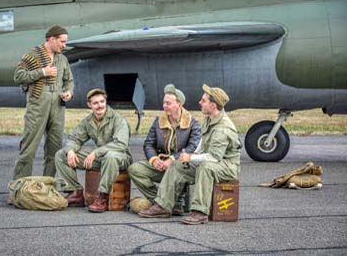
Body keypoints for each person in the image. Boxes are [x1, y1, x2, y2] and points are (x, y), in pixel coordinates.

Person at [138, 84, 242, 224]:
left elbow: (214, 157)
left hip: (227, 166)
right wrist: (188, 156)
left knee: (206, 167)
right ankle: (163, 206)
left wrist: (191, 157)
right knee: (177, 165)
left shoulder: (222, 128)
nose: (200, 102)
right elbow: (202, 143)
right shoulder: (209, 118)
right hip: (214, 161)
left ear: (213, 106)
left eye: (203, 100)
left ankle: (200, 212)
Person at [12, 25, 74, 180]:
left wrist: (69, 92)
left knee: (55, 148)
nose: (64, 45)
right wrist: (42, 72)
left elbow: (69, 80)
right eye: (62, 41)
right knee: (29, 147)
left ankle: (48, 186)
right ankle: (19, 186)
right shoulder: (33, 55)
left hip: (58, 105)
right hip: (38, 103)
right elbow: (18, 77)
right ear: (52, 39)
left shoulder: (62, 59)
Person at [55, 88, 132, 213]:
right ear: (89, 105)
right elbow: (75, 138)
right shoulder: (88, 121)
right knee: (61, 155)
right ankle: (75, 193)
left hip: (120, 158)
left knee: (110, 156)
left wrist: (96, 152)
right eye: (95, 103)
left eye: (102, 102)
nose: (100, 105)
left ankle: (103, 197)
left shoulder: (118, 119)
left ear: (106, 102)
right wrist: (70, 150)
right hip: (101, 158)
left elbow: (121, 144)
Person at [128, 84, 201, 214]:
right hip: (161, 165)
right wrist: (154, 160)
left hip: (179, 168)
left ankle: (174, 201)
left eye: (168, 103)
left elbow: (193, 147)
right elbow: (149, 144)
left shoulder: (193, 123)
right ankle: (161, 201)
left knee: (178, 166)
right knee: (135, 169)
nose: (164, 106)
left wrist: (172, 159)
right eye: (164, 103)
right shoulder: (158, 121)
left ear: (179, 104)